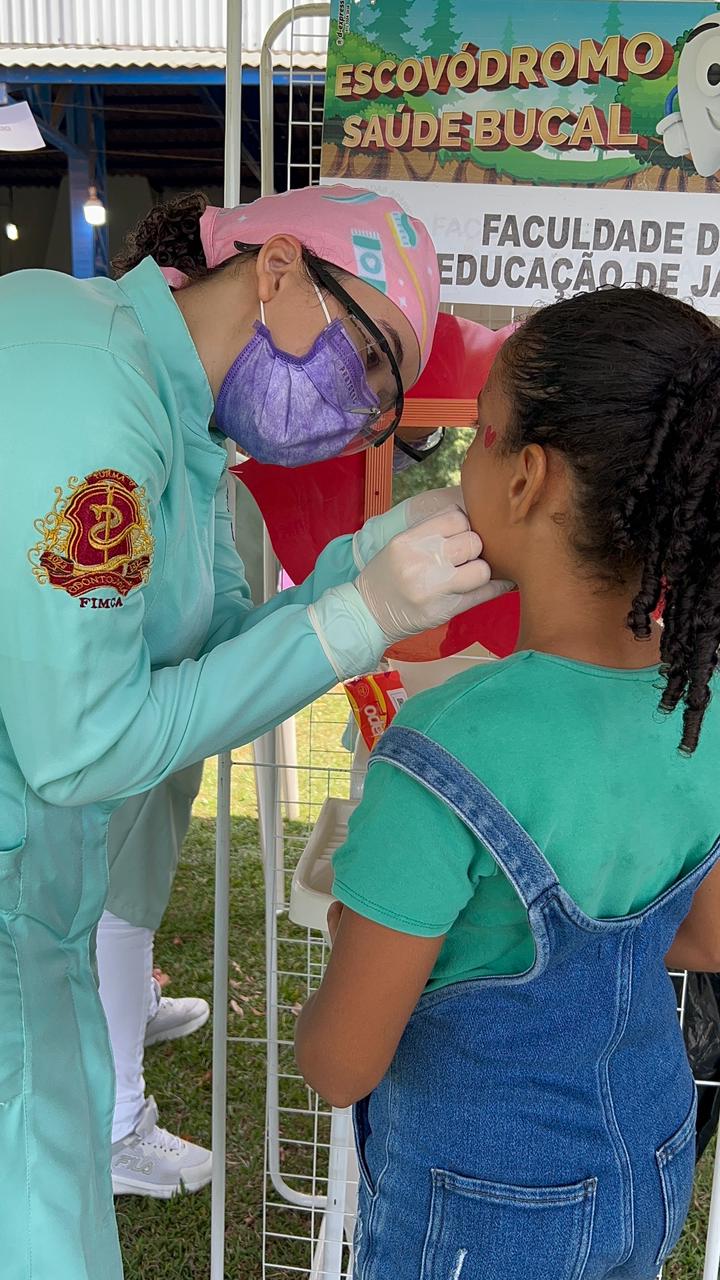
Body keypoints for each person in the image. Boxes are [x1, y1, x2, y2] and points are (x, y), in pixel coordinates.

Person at [0, 182, 510, 1279]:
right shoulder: (90, 393)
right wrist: (358, 615)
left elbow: (210, 648)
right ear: (277, 268)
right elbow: (79, 747)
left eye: (385, 407)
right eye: (368, 361)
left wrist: (360, 565)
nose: (361, 414)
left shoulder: (178, 427)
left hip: (38, 909)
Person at [296, 286, 720, 1280]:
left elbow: (339, 1062)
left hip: (479, 1205)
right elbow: (703, 937)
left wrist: (360, 937)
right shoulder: (700, 700)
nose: (464, 464)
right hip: (653, 1158)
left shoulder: (444, 743)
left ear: (527, 476)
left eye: (479, 434)